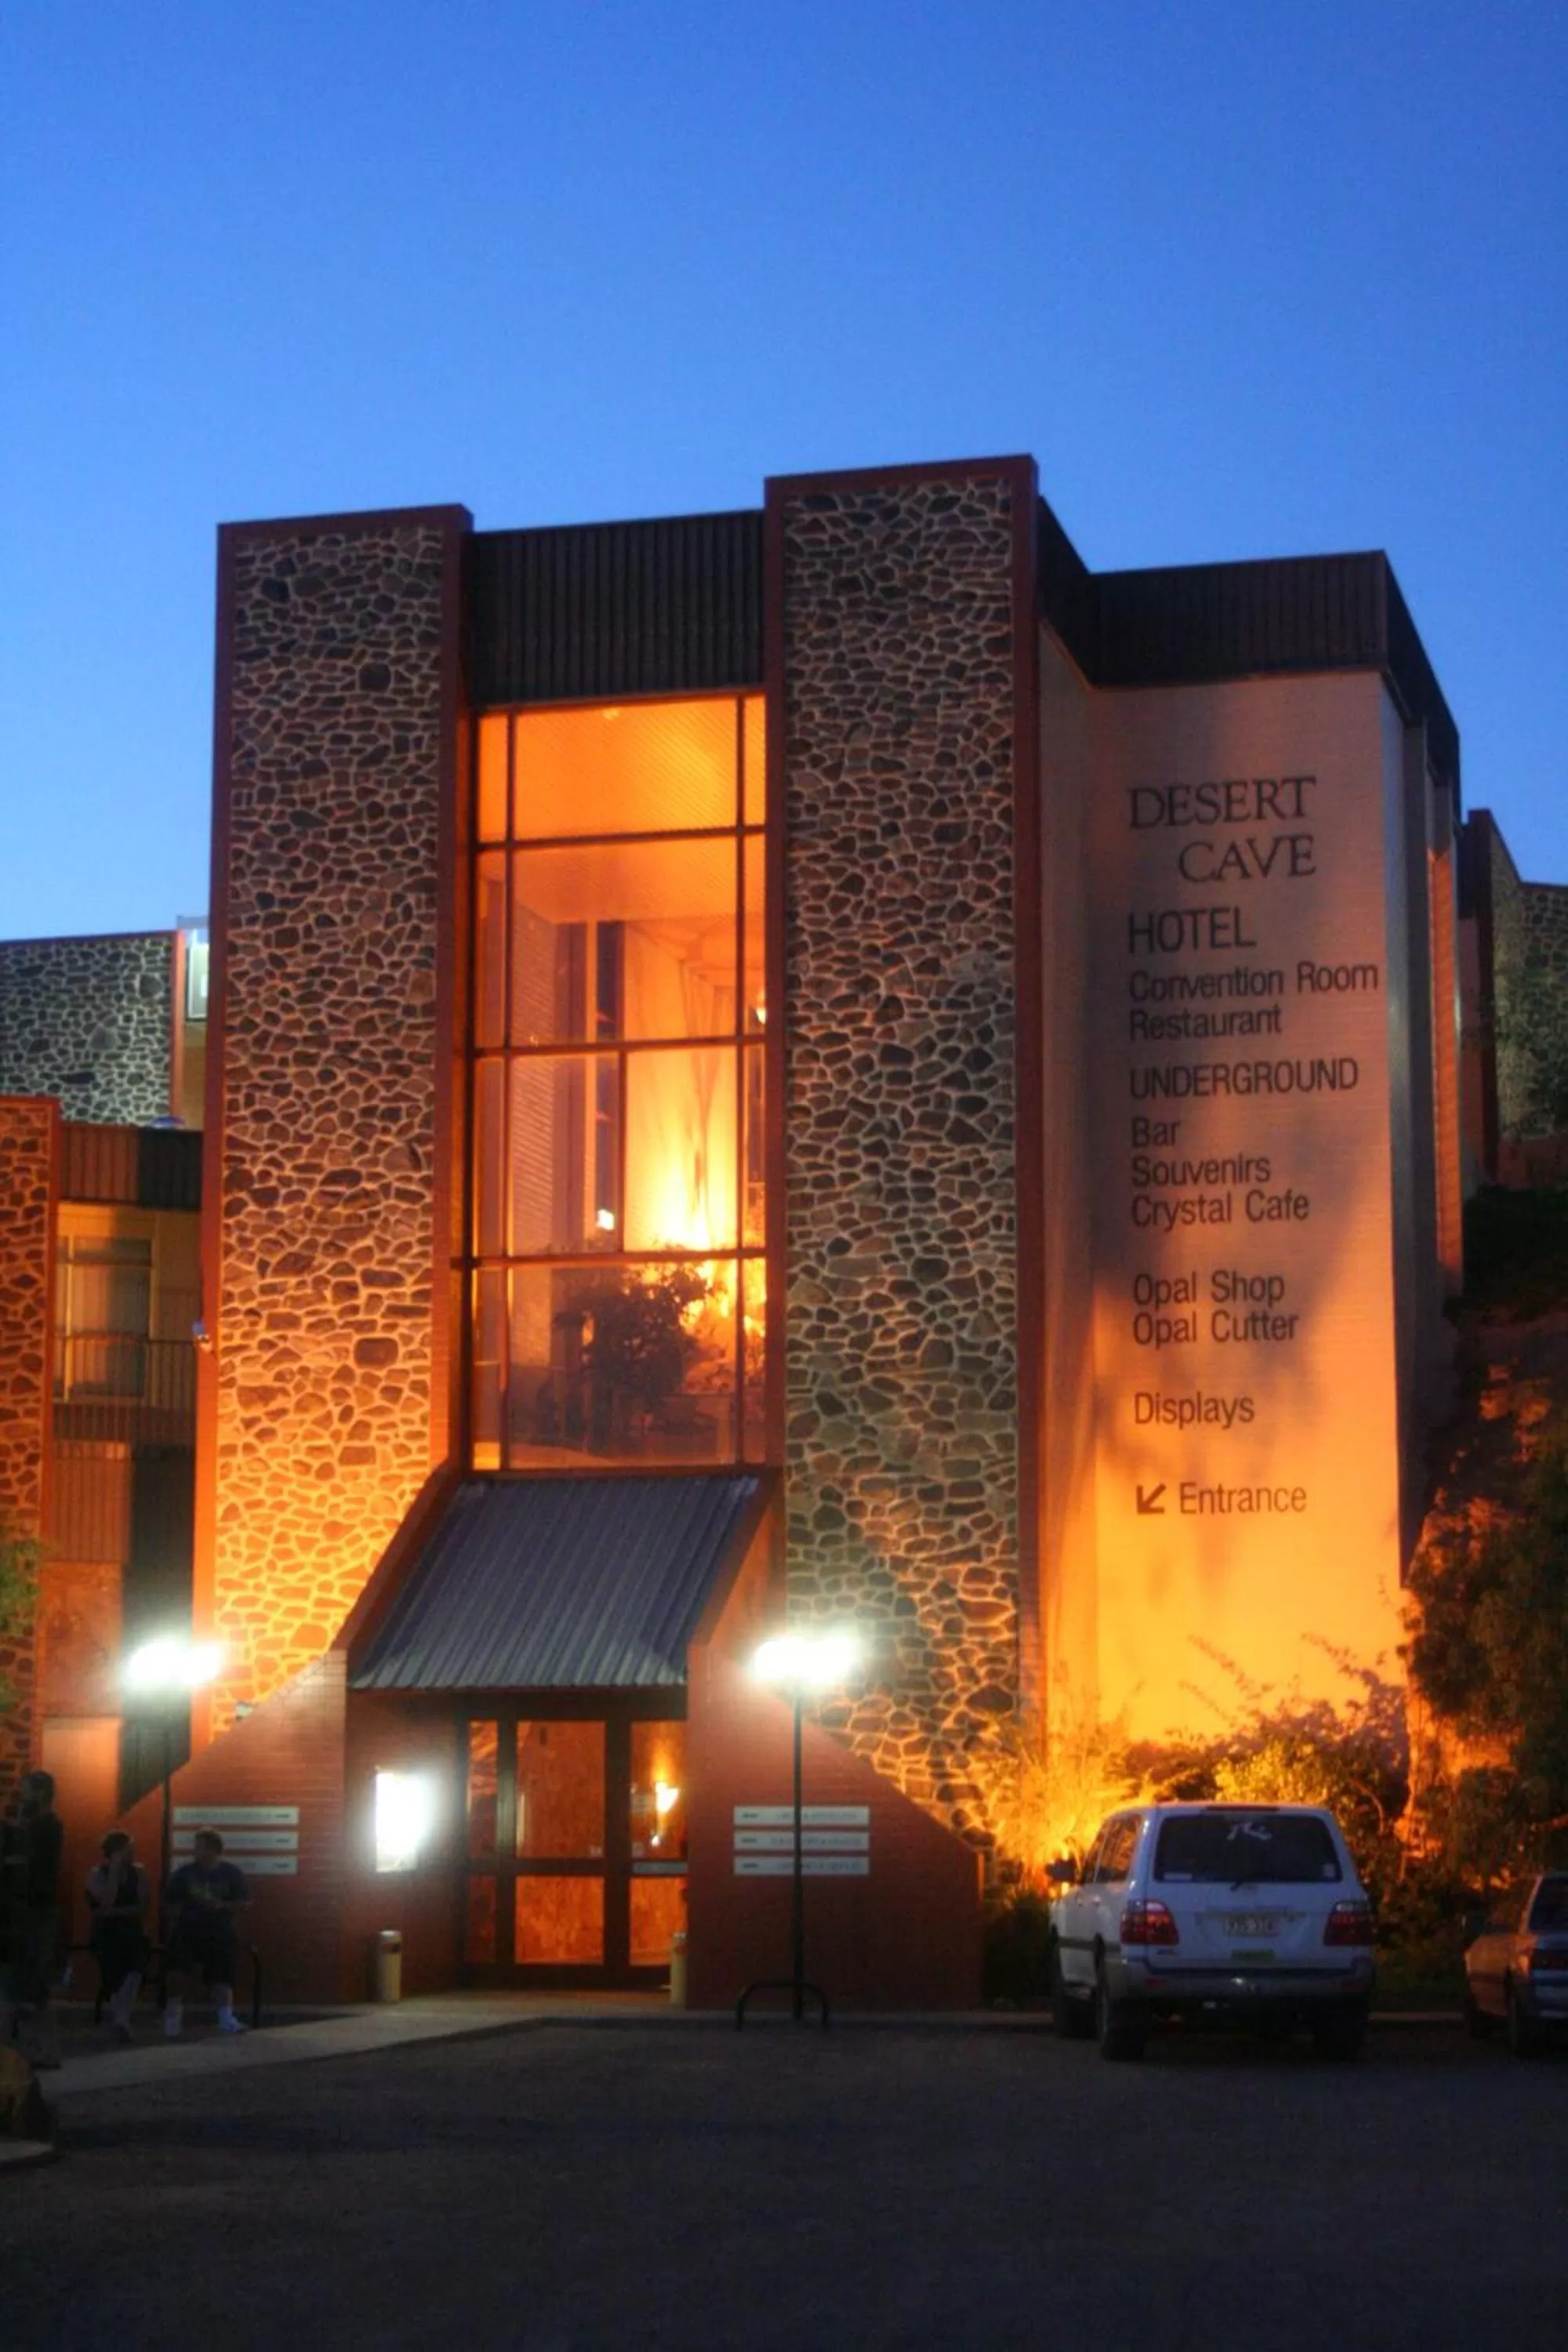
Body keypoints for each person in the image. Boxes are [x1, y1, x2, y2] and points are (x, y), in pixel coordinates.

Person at [0, 1770, 64, 2069]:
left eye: (25, 1790)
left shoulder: (45, 1826)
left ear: (40, 1793)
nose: (20, 1796)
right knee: (28, 1988)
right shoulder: (34, 1826)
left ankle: (33, 2051)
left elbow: (29, 1867)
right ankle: (39, 2050)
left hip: (32, 1915)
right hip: (27, 1914)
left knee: (24, 1985)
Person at [162, 1828, 249, 2038]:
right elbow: (170, 1903)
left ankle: (226, 2019)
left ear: (213, 1849)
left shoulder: (231, 1873)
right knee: (176, 1973)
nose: (195, 1851)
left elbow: (243, 1903)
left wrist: (221, 1906)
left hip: (219, 1930)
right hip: (187, 1929)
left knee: (222, 1975)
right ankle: (173, 2018)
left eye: (199, 1846)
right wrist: (184, 1911)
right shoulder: (184, 1873)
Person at [85, 1831, 151, 2043]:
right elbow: (107, 1902)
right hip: (106, 1932)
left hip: (131, 1930)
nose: (133, 1852)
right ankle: (121, 2019)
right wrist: (113, 1872)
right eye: (128, 1848)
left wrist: (115, 1912)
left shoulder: (139, 1873)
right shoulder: (96, 1874)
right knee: (112, 1966)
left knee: (136, 1967)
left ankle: (121, 2018)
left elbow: (142, 1907)